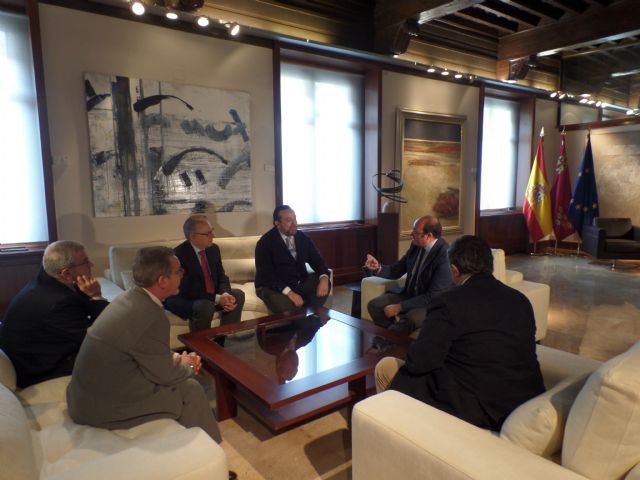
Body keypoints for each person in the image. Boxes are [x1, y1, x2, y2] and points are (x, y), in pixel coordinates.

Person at [375, 235, 545, 431]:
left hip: (480, 406)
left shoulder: (448, 302)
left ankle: (391, 434)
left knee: (388, 368)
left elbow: (419, 362)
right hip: (524, 400)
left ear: (454, 270)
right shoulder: (520, 300)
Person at [66, 246, 221, 442]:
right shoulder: (150, 315)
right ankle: (211, 456)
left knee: (183, 379)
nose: (182, 275)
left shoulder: (132, 297)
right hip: (101, 405)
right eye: (178, 271)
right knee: (190, 388)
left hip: (86, 393)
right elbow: (166, 374)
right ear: (162, 281)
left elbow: (144, 352)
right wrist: (189, 365)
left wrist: (176, 358)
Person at [0, 240, 108, 388]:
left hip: (37, 355)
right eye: (85, 262)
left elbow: (82, 309)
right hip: (41, 369)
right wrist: (96, 296)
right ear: (66, 273)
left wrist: (90, 297)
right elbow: (99, 337)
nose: (91, 265)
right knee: (116, 352)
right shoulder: (59, 303)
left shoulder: (46, 280)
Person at [365, 215, 453, 336]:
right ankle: (392, 340)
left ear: (428, 236)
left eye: (415, 232)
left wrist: (400, 307)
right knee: (374, 305)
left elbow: (433, 296)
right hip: (409, 295)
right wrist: (378, 268)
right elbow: (397, 270)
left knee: (410, 318)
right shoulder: (415, 246)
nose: (411, 235)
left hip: (430, 304)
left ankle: (388, 341)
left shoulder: (444, 256)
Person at [165, 215, 245, 337]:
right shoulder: (178, 255)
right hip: (184, 297)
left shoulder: (213, 249)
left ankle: (227, 341)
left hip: (208, 295)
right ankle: (202, 346)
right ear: (193, 237)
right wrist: (217, 299)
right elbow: (186, 290)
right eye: (207, 233)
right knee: (205, 305)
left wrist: (225, 294)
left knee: (237, 295)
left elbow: (221, 276)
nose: (213, 236)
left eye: (212, 231)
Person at [255, 205, 331, 313]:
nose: (295, 223)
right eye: (289, 220)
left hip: (298, 283)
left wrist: (324, 278)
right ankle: (307, 321)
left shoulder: (302, 238)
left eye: (295, 218)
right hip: (273, 287)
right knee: (284, 305)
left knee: (324, 283)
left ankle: (309, 315)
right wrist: (289, 293)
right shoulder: (265, 243)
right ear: (277, 223)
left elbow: (318, 261)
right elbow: (267, 275)